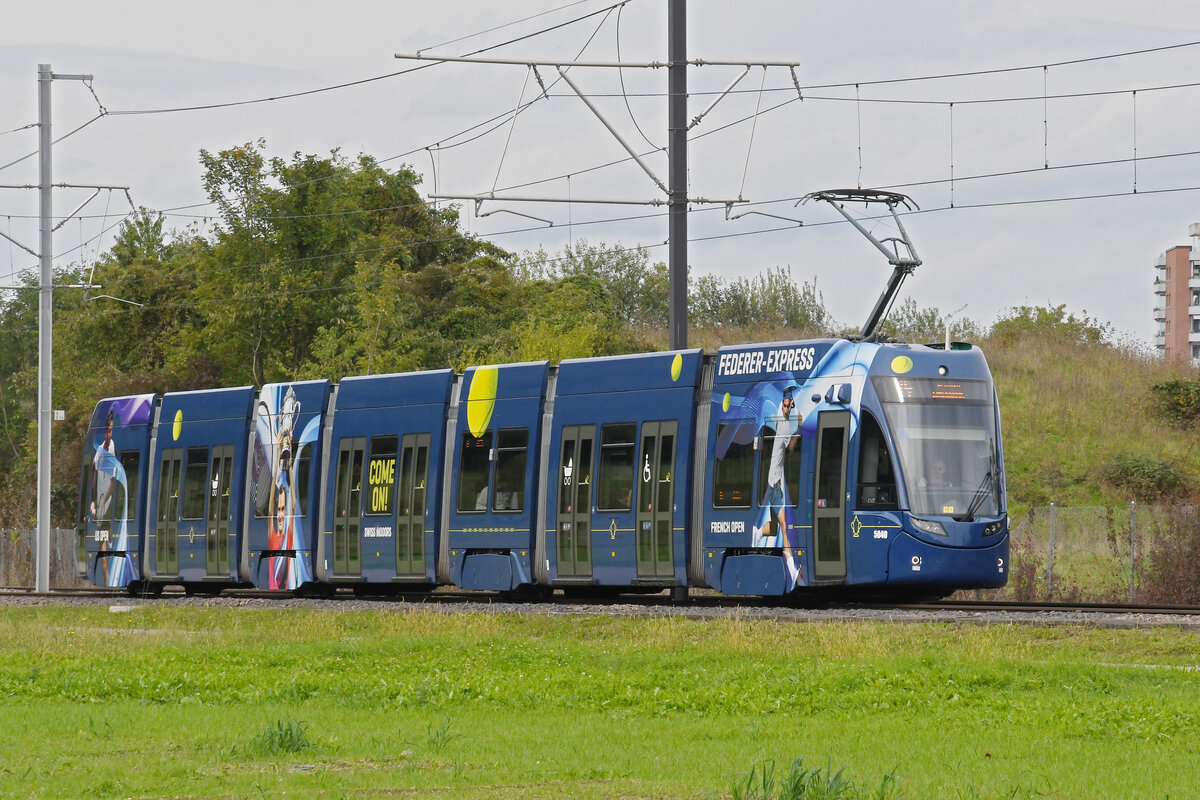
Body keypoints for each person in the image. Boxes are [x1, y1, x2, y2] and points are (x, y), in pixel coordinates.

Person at [759, 387, 801, 545]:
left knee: (775, 528)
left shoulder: (785, 415)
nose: (785, 409)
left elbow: (791, 408)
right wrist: (797, 436)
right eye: (784, 406)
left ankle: (757, 532)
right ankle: (792, 566)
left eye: (787, 406)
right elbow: (791, 447)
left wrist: (792, 405)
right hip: (774, 483)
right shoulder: (783, 426)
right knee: (784, 527)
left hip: (776, 482)